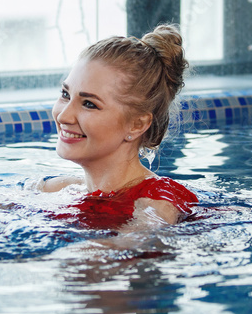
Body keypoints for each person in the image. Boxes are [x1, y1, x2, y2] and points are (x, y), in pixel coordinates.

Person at [40, 24, 198, 231]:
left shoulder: (156, 205)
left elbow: (115, 254)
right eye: (65, 95)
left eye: (89, 104)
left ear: (136, 125)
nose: (63, 115)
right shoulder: (60, 189)